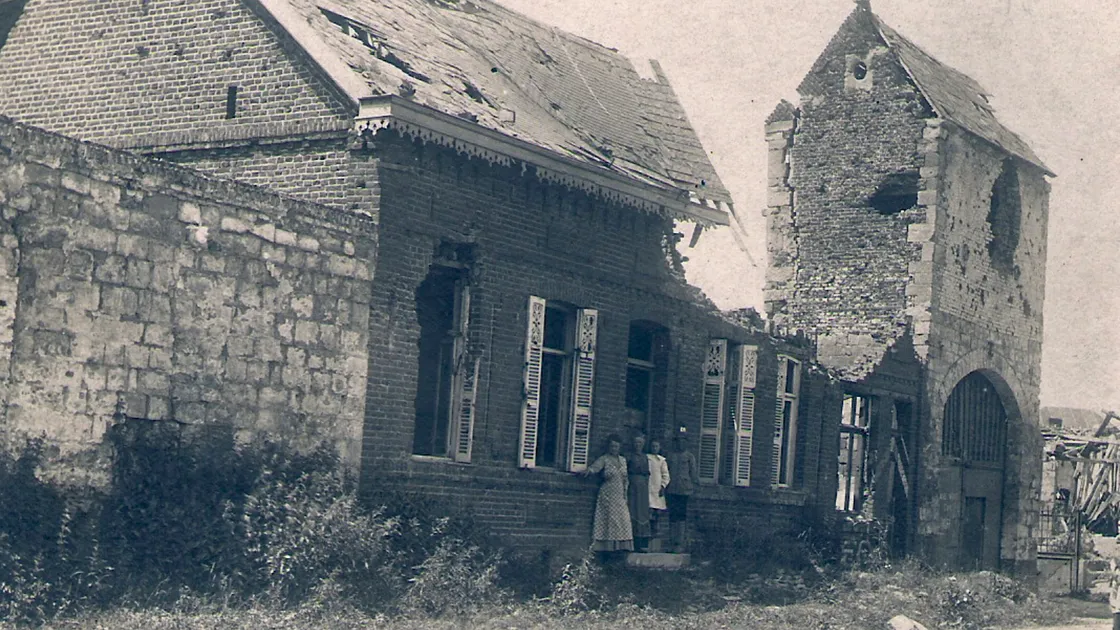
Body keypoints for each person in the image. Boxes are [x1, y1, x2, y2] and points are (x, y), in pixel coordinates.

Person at [583, 434, 633, 554]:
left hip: (620, 493)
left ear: (619, 448)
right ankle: (606, 548)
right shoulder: (604, 459)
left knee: (623, 520)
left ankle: (620, 547)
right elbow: (594, 468)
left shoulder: (623, 460)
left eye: (616, 446)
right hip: (608, 493)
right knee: (610, 520)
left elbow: (626, 478)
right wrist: (588, 471)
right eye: (612, 446)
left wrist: (625, 493)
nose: (614, 449)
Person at [664, 429, 699, 553]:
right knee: (672, 515)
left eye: (683, 441)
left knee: (681, 516)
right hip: (672, 488)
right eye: (678, 441)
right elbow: (665, 471)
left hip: (684, 489)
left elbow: (693, 474)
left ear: (686, 442)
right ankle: (672, 542)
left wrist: (694, 487)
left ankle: (680, 542)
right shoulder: (670, 455)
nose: (680, 444)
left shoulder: (689, 457)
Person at [625, 433, 652, 551]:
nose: (638, 445)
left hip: (643, 487)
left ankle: (642, 542)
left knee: (642, 512)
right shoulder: (629, 457)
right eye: (636, 443)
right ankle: (632, 541)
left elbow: (648, 473)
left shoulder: (645, 457)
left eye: (640, 443)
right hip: (632, 485)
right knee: (632, 510)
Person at [647, 437, 670, 546]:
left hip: (657, 489)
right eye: (653, 446)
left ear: (659, 448)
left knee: (656, 513)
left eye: (656, 446)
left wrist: (663, 486)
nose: (654, 448)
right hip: (648, 488)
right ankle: (647, 536)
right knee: (648, 512)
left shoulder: (662, 461)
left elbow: (666, 476)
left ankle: (654, 534)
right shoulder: (646, 458)